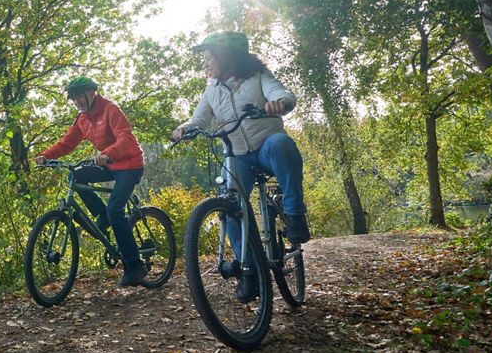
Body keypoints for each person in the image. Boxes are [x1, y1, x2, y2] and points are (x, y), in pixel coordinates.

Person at [171, 31, 310, 302]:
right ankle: (251, 272)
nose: (205, 64)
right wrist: (184, 129)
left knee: (282, 143)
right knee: (230, 206)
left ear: (227, 57)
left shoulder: (259, 78)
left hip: (266, 148)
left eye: (209, 58)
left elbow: (280, 92)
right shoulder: (211, 90)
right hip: (237, 156)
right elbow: (198, 119)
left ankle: (294, 214)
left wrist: (281, 102)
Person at [36, 76, 148, 287]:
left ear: (91, 92)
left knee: (116, 209)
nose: (76, 100)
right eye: (73, 98)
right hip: (109, 163)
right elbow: (66, 143)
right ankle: (101, 215)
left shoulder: (110, 110)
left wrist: (107, 153)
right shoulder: (82, 119)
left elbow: (125, 138)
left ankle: (135, 266)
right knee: (75, 175)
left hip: (129, 165)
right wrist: (46, 156)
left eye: (79, 95)